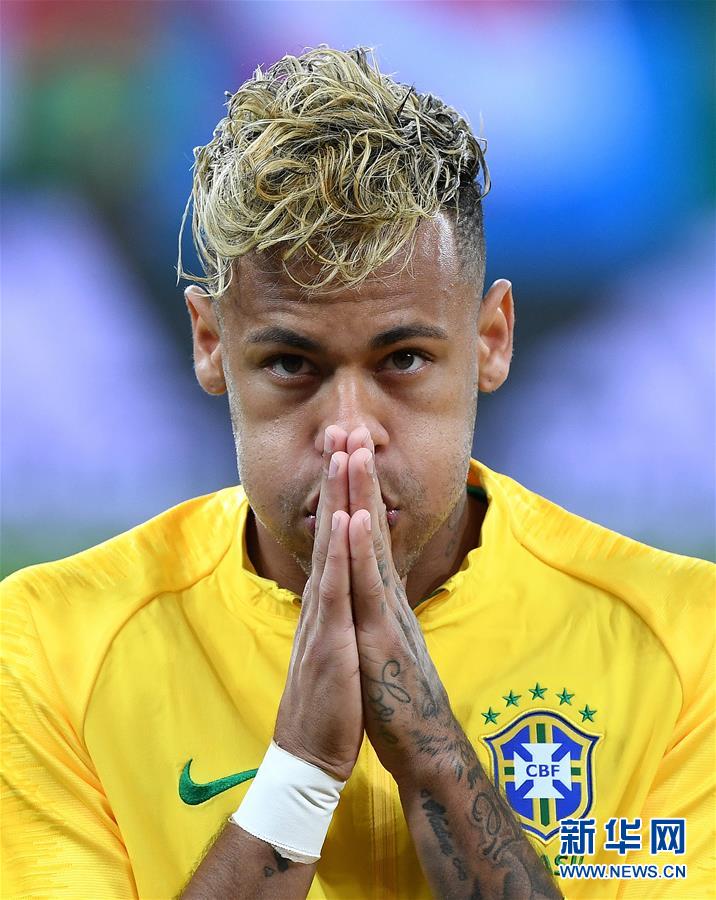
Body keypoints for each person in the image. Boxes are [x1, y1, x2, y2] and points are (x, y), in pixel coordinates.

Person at [1, 44, 713, 900]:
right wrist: (301, 769)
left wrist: (428, 745)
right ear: (211, 344)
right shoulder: (49, 644)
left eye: (402, 359)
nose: (349, 434)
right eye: (292, 365)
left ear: (491, 340)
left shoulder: (687, 641)